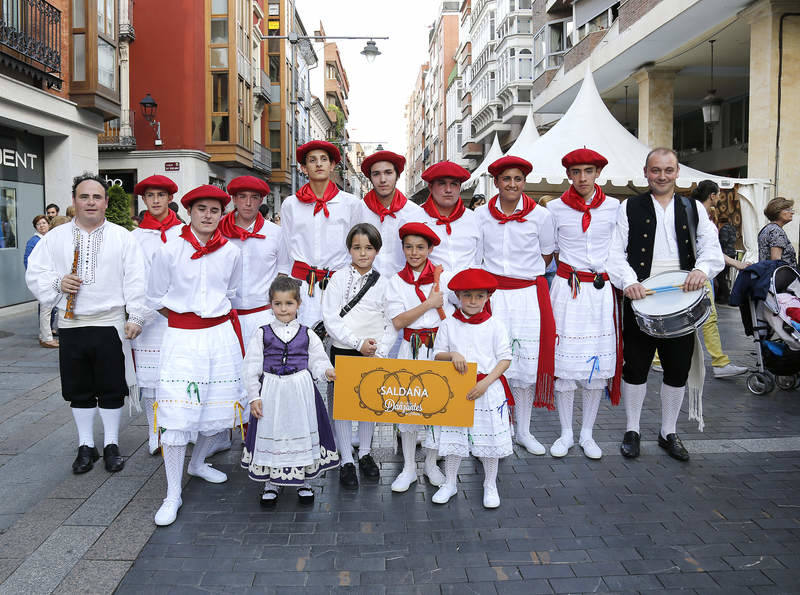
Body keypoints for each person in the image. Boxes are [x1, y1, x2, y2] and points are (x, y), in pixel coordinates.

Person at [606, 148, 724, 462]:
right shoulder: (628, 206)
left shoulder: (693, 208)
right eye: (656, 170)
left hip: (681, 297)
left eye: (668, 170)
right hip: (641, 296)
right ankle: (632, 429)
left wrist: (702, 270)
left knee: (677, 369)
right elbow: (615, 252)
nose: (662, 176)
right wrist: (628, 281)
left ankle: (668, 431)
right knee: (635, 367)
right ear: (646, 172)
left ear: (677, 173)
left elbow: (710, 246)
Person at [25, 173, 147, 475]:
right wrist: (58, 281)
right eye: (84, 196)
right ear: (74, 201)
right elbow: (35, 272)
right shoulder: (55, 237)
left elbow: (136, 278)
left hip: (109, 323)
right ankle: (85, 446)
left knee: (110, 387)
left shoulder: (122, 236)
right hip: (71, 324)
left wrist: (136, 315)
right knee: (78, 388)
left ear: (105, 201)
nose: (90, 202)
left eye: (96, 197)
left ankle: (111, 445)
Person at [147, 184, 244, 526]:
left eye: (214, 210)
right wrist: (184, 322)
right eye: (201, 208)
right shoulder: (169, 250)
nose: (207, 215)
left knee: (215, 406)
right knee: (176, 413)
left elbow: (231, 292)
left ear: (222, 214)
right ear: (189, 211)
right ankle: (172, 493)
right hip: (183, 337)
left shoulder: (232, 252)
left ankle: (198, 463)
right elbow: (155, 296)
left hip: (220, 336)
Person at [475, 156, 556, 456]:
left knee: (524, 364)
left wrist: (523, 275)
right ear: (495, 182)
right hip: (494, 296)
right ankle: (500, 426)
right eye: (506, 179)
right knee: (494, 360)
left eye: (518, 179)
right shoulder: (481, 216)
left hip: (527, 296)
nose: (512, 184)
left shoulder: (541, 217)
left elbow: (547, 255)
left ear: (524, 182)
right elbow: (478, 256)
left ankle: (523, 429)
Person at [546, 149, 620, 460]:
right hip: (566, 289)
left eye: (588, 171)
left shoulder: (616, 208)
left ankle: (588, 434)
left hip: (600, 293)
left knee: (596, 369)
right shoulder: (554, 209)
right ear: (568, 175)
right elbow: (546, 252)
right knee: (564, 369)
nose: (582, 178)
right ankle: (565, 432)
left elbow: (620, 252)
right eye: (576, 172)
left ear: (598, 173)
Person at [241, 276, 339, 506]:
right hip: (272, 390)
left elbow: (318, 360)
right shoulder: (262, 333)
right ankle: (271, 483)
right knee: (273, 432)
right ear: (271, 304)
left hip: (300, 391)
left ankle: (303, 480)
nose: (283, 309)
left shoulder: (307, 333)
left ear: (298, 304)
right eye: (278, 304)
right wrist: (254, 396)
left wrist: (327, 371)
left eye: (288, 304)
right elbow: (251, 367)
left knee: (300, 430)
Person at [430, 268, 513, 508]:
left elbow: (505, 359)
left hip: (487, 388)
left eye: (479, 296)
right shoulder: (449, 325)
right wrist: (452, 354)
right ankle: (450, 482)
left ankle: (490, 484)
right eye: (467, 295)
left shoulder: (495, 325)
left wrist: (486, 383)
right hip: (458, 388)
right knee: (454, 437)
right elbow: (437, 355)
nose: (473, 301)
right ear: (458, 296)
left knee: (488, 442)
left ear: (487, 297)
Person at [321, 223, 395, 488]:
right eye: (357, 248)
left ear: (377, 250)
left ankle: (364, 453)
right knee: (342, 407)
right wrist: (357, 342)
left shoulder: (385, 283)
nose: (363, 253)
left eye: (369, 248)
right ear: (349, 249)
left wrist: (381, 349)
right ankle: (346, 460)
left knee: (368, 405)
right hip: (344, 349)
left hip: (372, 354)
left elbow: (391, 321)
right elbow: (330, 319)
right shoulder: (339, 279)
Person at [385, 222, 452, 492]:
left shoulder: (444, 278)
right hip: (409, 348)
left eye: (420, 247)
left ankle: (432, 463)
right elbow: (399, 321)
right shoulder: (395, 281)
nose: (414, 252)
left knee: (438, 407)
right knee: (409, 409)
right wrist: (428, 304)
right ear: (402, 248)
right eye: (409, 247)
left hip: (438, 349)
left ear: (430, 249)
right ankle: (409, 467)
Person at [131, 175, 183, 455]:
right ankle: (155, 433)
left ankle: (177, 427)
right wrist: (136, 313)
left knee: (176, 375)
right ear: (144, 200)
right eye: (150, 196)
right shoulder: (135, 237)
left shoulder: (184, 232)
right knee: (150, 380)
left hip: (177, 313)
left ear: (170, 198)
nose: (155, 201)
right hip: (149, 317)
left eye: (160, 195)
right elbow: (133, 276)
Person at [281, 140, 359, 327]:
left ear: (332, 165)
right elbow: (284, 246)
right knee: (301, 342)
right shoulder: (291, 204)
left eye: (324, 159)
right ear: (303, 168)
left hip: (338, 284)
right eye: (312, 160)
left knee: (339, 342)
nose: (318, 164)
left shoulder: (351, 203)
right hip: (300, 285)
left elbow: (357, 246)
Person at [220, 176, 284, 344]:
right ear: (234, 199)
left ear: (261, 200)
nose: (248, 203)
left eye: (254, 197)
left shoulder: (275, 233)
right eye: (242, 196)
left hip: (264, 316)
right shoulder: (218, 231)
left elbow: (283, 273)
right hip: (225, 317)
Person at [357, 150, 425, 276]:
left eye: (388, 173)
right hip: (365, 286)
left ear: (397, 176)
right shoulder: (358, 210)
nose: (383, 179)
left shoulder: (414, 213)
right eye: (376, 174)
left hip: (402, 286)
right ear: (370, 178)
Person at [419, 161, 482, 276]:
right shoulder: (415, 218)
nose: (448, 189)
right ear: (430, 187)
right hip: (430, 289)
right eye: (442, 183)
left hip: (467, 289)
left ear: (459, 187)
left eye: (454, 184)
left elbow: (478, 258)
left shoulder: (474, 218)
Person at [25, 215, 58, 348]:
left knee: (50, 308)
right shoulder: (34, 241)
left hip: (52, 278)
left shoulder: (49, 238)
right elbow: (28, 261)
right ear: (35, 227)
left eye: (44, 223)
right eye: (39, 224)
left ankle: (46, 334)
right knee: (46, 308)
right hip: (44, 280)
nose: (42, 225)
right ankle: (46, 337)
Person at [758, 197, 796, 267]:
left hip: (767, 274)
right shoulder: (776, 231)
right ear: (777, 211)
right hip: (780, 276)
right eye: (788, 210)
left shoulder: (767, 228)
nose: (792, 212)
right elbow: (776, 262)